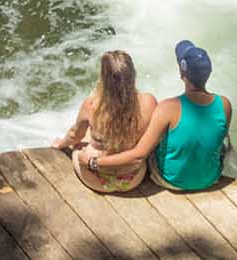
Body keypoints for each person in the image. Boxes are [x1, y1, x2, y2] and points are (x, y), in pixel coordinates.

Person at [86, 40, 232, 192]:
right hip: (210, 178)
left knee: (152, 143)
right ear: (209, 73)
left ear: (182, 74)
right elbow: (221, 141)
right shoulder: (225, 104)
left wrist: (94, 162)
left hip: (171, 180)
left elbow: (138, 156)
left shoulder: (168, 108)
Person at [52, 50, 158, 193]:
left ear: (104, 78)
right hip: (133, 178)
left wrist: (60, 144)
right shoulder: (149, 102)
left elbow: (74, 135)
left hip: (95, 177)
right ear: (133, 74)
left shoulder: (92, 105)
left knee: (84, 136)